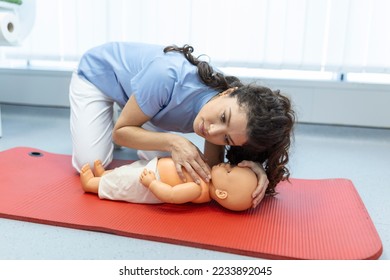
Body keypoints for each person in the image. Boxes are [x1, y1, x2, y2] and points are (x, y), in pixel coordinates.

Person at [69, 42, 295, 208]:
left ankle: (135, 110)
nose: (212, 131)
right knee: (88, 162)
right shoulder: (167, 76)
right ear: (227, 93)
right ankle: (128, 111)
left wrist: (254, 169)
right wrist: (174, 141)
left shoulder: (226, 115)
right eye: (223, 118)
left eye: (226, 139)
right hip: (98, 76)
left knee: (175, 168)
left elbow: (211, 170)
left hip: (153, 104)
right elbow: (120, 134)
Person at [80, 158, 258, 212]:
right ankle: (105, 175)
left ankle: (91, 184)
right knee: (126, 172)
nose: (226, 165)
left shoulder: (198, 188)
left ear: (221, 193)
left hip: (150, 182)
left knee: (123, 184)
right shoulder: (207, 176)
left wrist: (152, 183)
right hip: (153, 167)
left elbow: (171, 195)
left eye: (228, 171)